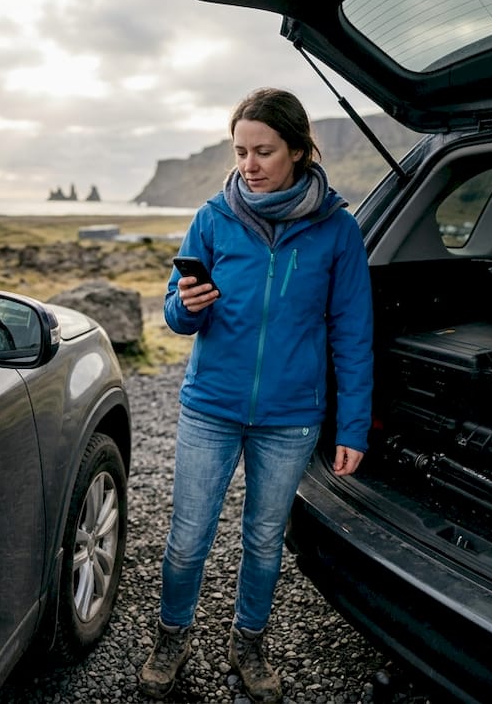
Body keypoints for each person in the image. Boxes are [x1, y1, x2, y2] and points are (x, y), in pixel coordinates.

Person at [138, 87, 374, 703]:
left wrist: (353, 426)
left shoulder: (337, 230)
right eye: (240, 151)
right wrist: (187, 306)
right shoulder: (213, 218)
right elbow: (174, 313)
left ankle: (248, 641)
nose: (249, 164)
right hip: (210, 407)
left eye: (263, 151)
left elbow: (352, 333)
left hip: (290, 418)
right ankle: (171, 635)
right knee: (187, 538)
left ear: (297, 150)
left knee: (265, 541)